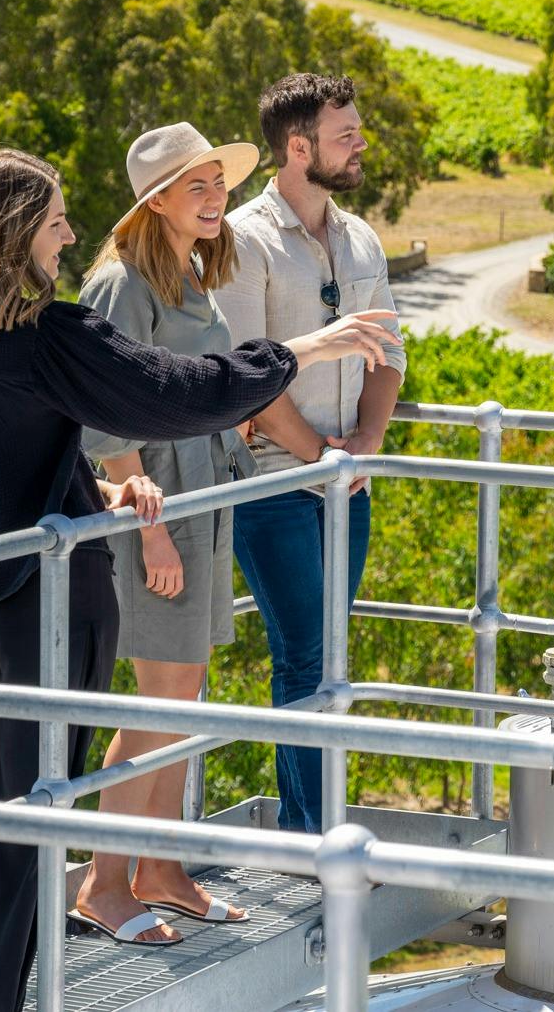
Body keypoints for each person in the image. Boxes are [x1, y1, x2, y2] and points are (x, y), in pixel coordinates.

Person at [0, 149, 400, 1011]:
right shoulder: (46, 336)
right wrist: (300, 350)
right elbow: (175, 392)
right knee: (37, 817)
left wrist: (95, 487)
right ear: (15, 230)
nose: (65, 234)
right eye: (54, 219)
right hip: (53, 608)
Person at [68, 123, 274, 946]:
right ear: (155, 200)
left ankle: (160, 868)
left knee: (183, 697)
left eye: (219, 181)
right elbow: (100, 406)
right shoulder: (121, 282)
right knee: (159, 700)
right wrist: (148, 528)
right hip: (158, 515)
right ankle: (104, 883)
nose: (216, 194)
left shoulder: (183, 270)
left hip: (203, 502)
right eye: (198, 185)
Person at [215, 73, 407, 834]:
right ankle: (314, 838)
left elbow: (389, 353)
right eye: (345, 135)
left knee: (331, 660)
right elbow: (242, 375)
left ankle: (315, 828)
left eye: (357, 131)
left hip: (347, 483)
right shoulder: (242, 238)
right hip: (271, 484)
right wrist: (317, 456)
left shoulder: (362, 237)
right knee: (303, 653)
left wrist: (363, 446)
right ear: (297, 149)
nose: (360, 146)